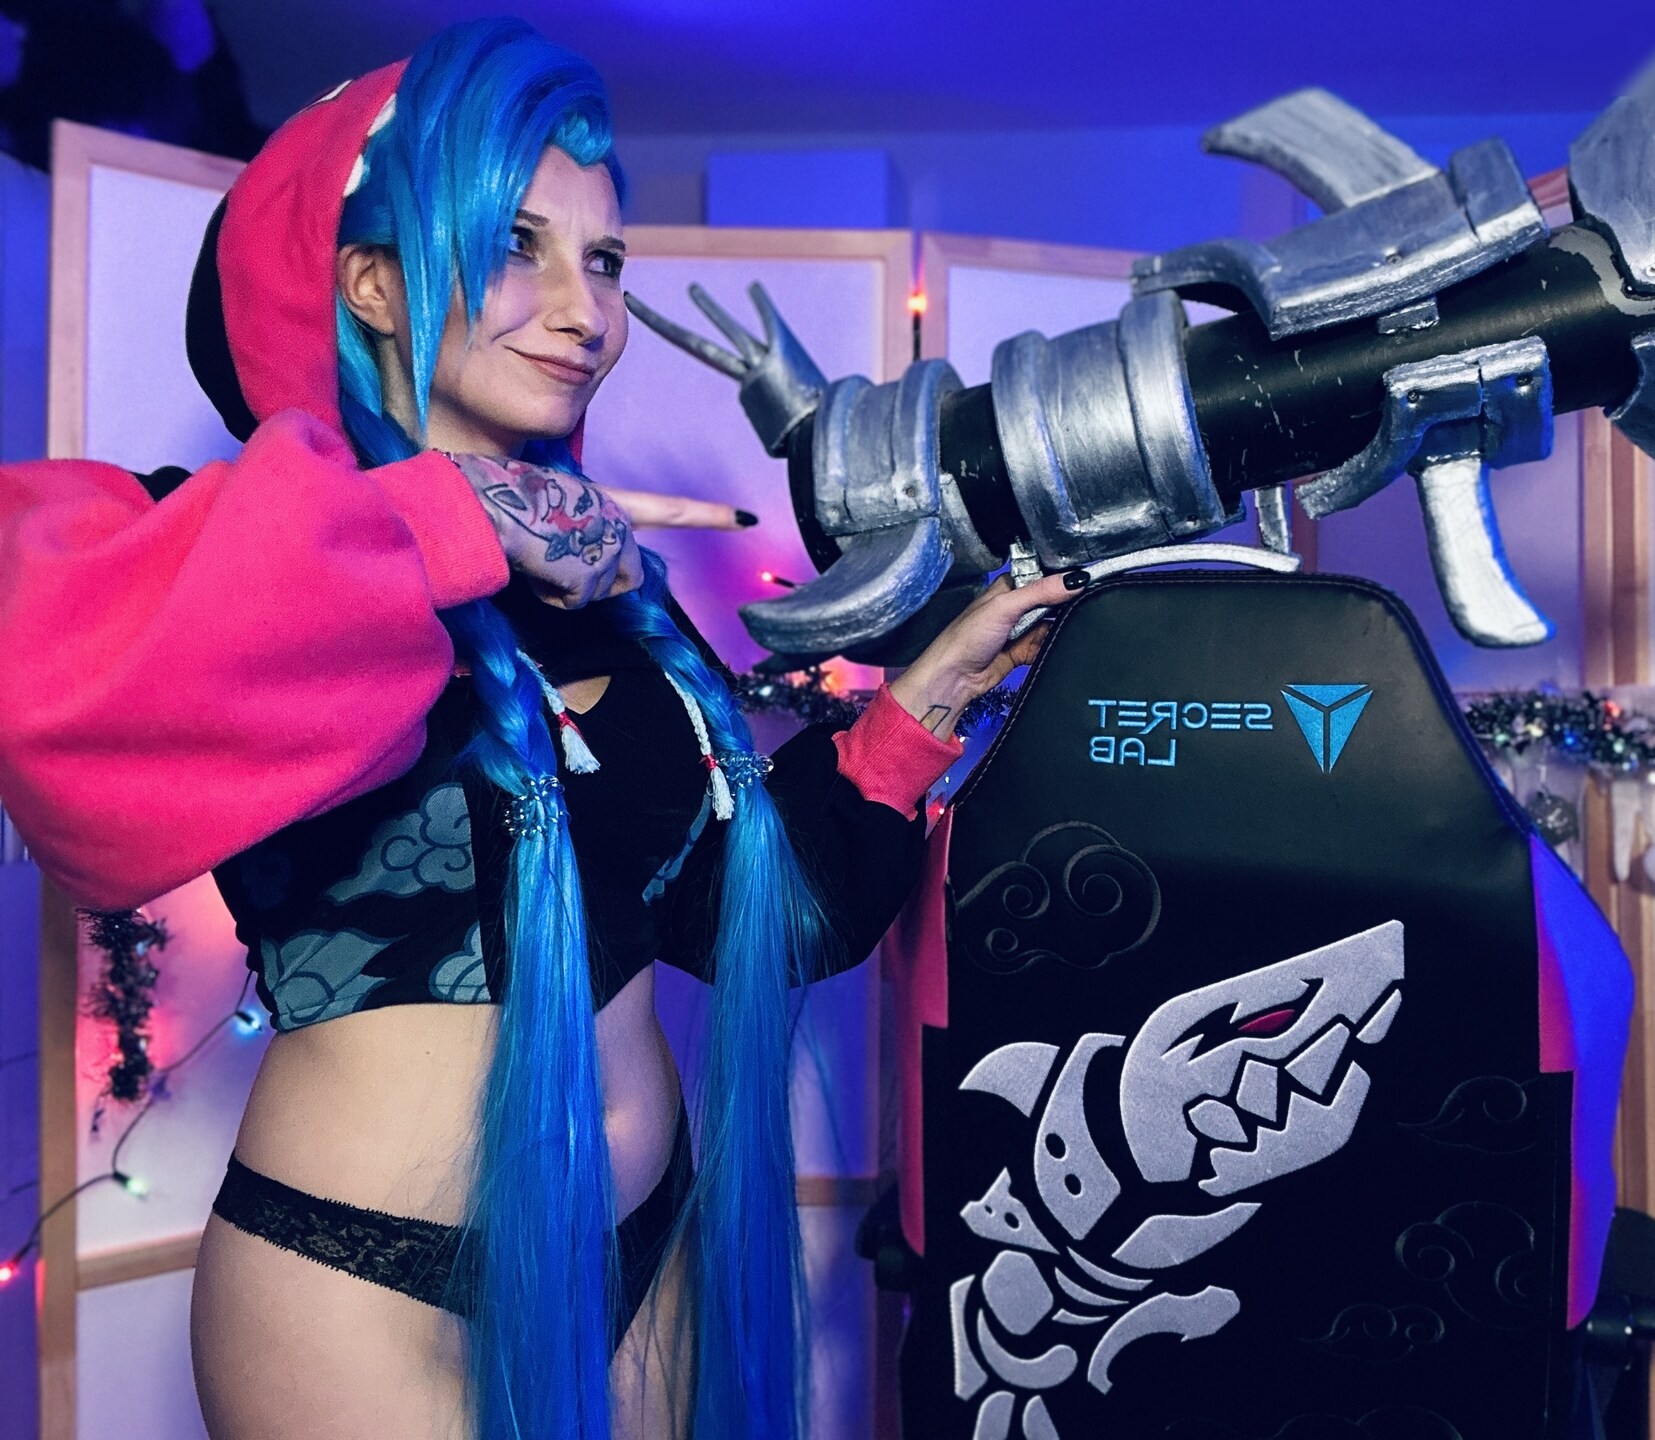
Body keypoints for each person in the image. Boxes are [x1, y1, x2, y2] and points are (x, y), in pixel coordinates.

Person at [0, 18, 1067, 1440]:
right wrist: (452, 514)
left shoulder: (612, 590)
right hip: (370, 1286)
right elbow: (54, 703)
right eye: (518, 246)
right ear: (374, 283)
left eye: (605, 260)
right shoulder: (236, 552)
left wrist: (930, 694)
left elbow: (747, 915)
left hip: (645, 1250)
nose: (587, 313)